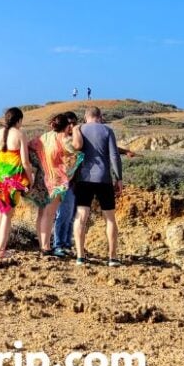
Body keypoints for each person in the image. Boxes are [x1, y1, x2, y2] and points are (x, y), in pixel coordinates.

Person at [73, 105, 124, 267]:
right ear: (100, 116)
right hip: (104, 179)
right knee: (109, 218)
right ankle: (112, 257)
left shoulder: (79, 129)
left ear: (86, 117)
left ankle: (80, 256)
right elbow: (114, 156)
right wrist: (119, 178)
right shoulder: (107, 131)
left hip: (84, 178)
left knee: (81, 216)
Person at [30, 112, 84, 257]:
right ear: (67, 127)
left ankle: (42, 244)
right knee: (50, 214)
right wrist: (77, 130)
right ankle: (47, 247)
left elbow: (31, 146)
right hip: (56, 181)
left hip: (43, 178)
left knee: (42, 214)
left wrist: (40, 163)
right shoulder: (65, 140)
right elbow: (78, 147)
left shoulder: (44, 137)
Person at [0, 107, 33, 261]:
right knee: (6, 215)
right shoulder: (20, 134)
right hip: (11, 180)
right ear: (19, 120)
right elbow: (25, 162)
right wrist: (30, 180)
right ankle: (1, 252)